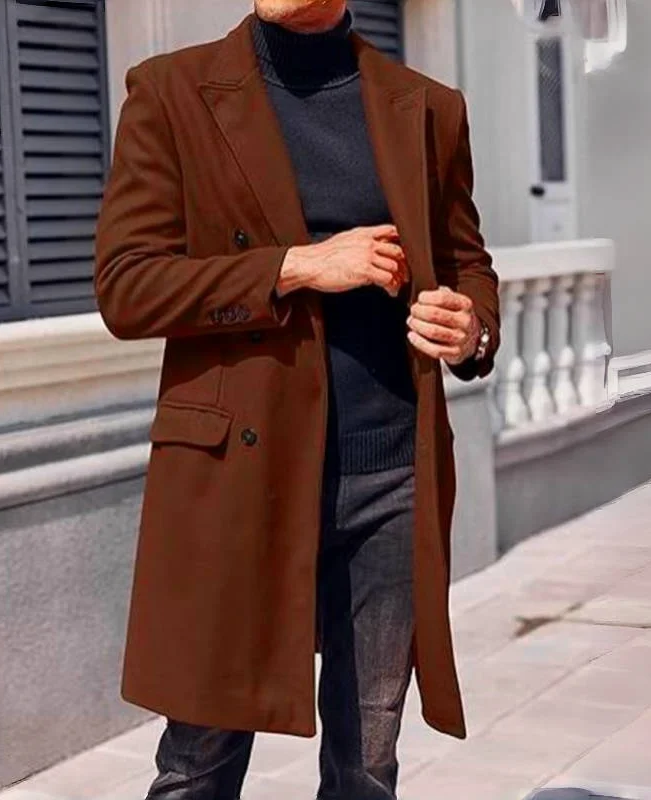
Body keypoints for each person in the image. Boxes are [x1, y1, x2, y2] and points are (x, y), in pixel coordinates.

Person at [94, 1, 499, 797]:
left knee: (366, 766)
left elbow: (466, 263)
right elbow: (126, 286)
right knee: (198, 765)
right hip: (241, 474)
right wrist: (297, 267)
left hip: (390, 476)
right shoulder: (171, 91)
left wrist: (471, 327)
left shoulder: (428, 108)